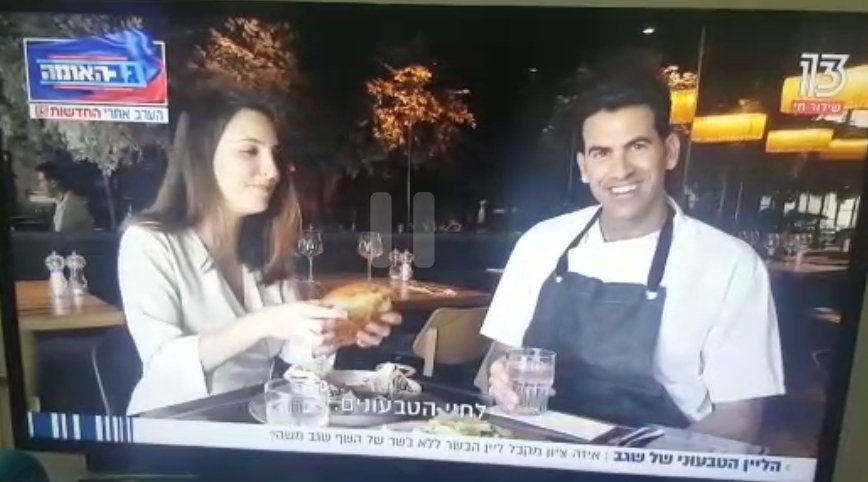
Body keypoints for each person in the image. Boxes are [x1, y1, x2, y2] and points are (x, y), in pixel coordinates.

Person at [478, 67, 785, 443]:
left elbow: (739, 420)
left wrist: (632, 460)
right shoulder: (540, 243)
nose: (620, 170)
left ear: (669, 152)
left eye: (637, 147)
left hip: (662, 462)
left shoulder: (731, 265)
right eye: (601, 153)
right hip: (539, 451)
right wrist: (500, 376)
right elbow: (496, 360)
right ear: (584, 167)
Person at [118, 82, 400, 415]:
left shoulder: (264, 246)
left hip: (251, 420)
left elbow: (294, 352)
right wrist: (262, 323)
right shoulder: (149, 242)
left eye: (274, 154)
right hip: (168, 428)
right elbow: (162, 366)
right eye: (250, 151)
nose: (272, 171)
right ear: (202, 158)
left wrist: (337, 332)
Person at [34, 161, 94, 232]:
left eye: (41, 181)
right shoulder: (64, 201)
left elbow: (60, 237)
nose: (39, 186)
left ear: (54, 183)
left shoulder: (68, 210)